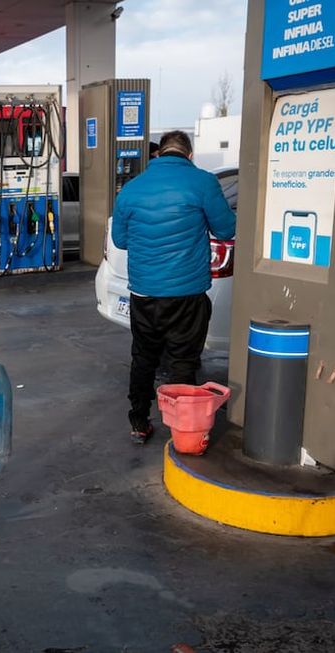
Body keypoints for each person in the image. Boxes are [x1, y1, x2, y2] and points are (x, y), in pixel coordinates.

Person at [112, 130, 236, 445]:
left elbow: (121, 240)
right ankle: (182, 431)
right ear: (189, 154)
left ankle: (139, 421)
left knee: (143, 357)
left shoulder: (132, 188)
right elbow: (226, 228)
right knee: (183, 361)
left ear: (159, 153)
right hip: (187, 294)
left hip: (144, 293)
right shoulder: (203, 182)